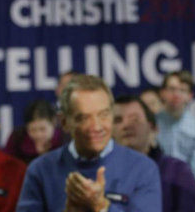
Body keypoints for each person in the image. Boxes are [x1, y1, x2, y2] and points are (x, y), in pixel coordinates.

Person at [17, 74, 161, 211]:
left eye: (103, 115)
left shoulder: (143, 169)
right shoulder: (40, 171)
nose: (96, 127)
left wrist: (102, 206)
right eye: (84, 118)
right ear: (64, 122)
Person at [113, 94, 195, 212]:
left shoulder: (176, 172)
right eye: (118, 120)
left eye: (135, 119)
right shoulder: (103, 173)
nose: (126, 125)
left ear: (153, 128)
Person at [156, 70, 195, 186]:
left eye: (182, 90)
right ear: (162, 93)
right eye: (172, 89)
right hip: (157, 187)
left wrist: (192, 193)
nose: (176, 94)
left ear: (190, 96)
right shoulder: (151, 123)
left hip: (188, 188)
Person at [4, 99, 65, 164]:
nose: (38, 135)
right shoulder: (17, 139)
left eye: (42, 129)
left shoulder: (64, 140)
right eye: (32, 130)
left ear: (53, 123)